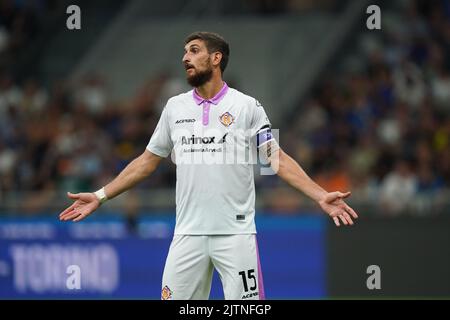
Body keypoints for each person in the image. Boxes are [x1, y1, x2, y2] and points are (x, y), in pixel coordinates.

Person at [59, 31, 359, 300]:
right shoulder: (174, 108)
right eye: (184, 52)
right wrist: (100, 196)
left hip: (236, 236)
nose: (185, 58)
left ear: (216, 58)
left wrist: (321, 194)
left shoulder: (248, 107)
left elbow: (275, 158)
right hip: (187, 235)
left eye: (193, 51)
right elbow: (147, 162)